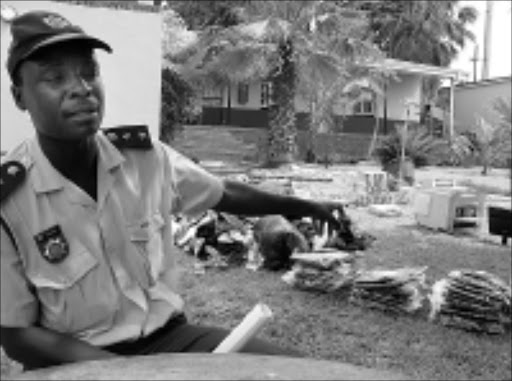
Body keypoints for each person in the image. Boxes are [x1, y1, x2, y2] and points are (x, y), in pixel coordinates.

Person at [0, 10, 348, 371]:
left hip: (169, 341)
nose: (81, 88)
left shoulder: (145, 159)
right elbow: (16, 336)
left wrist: (303, 205)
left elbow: (222, 192)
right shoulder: (9, 200)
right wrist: (120, 373)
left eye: (89, 72)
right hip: (73, 361)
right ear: (19, 96)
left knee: (304, 372)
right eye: (55, 77)